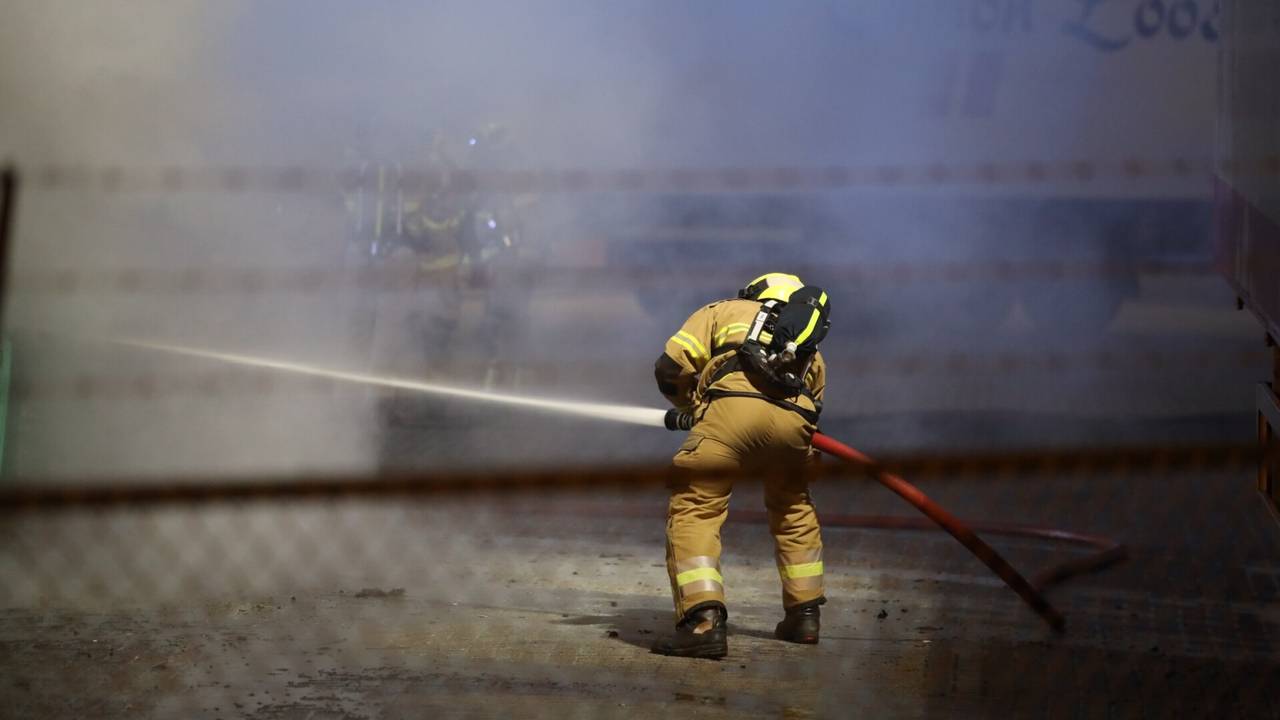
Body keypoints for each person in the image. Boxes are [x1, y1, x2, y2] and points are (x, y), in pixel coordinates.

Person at [652, 272, 832, 660]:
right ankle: (804, 616)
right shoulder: (811, 349)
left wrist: (690, 407)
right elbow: (814, 405)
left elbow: (670, 368)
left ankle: (703, 623)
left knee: (696, 508)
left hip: (729, 414)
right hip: (795, 424)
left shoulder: (724, 311)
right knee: (793, 510)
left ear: (754, 293)